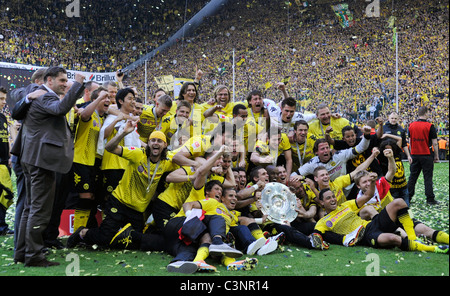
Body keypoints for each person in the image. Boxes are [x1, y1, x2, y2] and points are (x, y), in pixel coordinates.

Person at [14, 67, 85, 267]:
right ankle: (34, 256)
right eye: (62, 80)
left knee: (31, 208)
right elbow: (60, 109)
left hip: (34, 158)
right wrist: (78, 83)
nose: (65, 83)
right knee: (39, 210)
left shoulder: (42, 95)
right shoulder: (45, 96)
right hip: (41, 160)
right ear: (49, 80)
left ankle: (23, 253)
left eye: (67, 80)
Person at [67, 125, 178, 249]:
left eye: (159, 141)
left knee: (134, 242)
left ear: (164, 145)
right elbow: (109, 148)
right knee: (105, 238)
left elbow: (184, 155)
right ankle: (82, 233)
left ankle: (112, 236)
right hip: (119, 203)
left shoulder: (167, 162)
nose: (156, 143)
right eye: (153, 140)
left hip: (137, 211)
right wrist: (123, 133)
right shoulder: (137, 154)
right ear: (148, 143)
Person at [314, 183, 448, 254]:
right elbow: (318, 235)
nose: (333, 199)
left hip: (396, 218)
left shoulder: (347, 204)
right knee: (395, 238)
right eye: (328, 198)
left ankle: (413, 237)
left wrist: (373, 182)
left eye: (333, 196)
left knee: (406, 208)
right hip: (372, 230)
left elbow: (386, 179)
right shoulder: (324, 222)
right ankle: (431, 247)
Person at [71, 87, 110, 230]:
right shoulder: (89, 113)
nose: (107, 100)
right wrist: (98, 99)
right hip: (80, 160)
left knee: (92, 197)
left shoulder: (102, 118)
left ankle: (85, 230)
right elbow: (84, 115)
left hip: (93, 162)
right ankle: (77, 232)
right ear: (94, 100)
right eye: (103, 97)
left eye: (108, 98)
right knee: (86, 197)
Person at [407, 106, 440, 205]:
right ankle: (430, 199)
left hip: (415, 154)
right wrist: (436, 156)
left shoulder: (411, 125)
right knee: (428, 177)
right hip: (426, 154)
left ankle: (408, 197)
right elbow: (434, 143)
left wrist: (410, 154)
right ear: (426, 113)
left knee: (412, 177)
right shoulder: (430, 126)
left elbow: (410, 142)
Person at [0, 86, 13, 235]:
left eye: (4, 98)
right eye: (1, 99)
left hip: (4, 163)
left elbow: (5, 138)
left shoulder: (3, 117)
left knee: (3, 196)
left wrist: (10, 156)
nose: (4, 102)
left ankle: (2, 225)